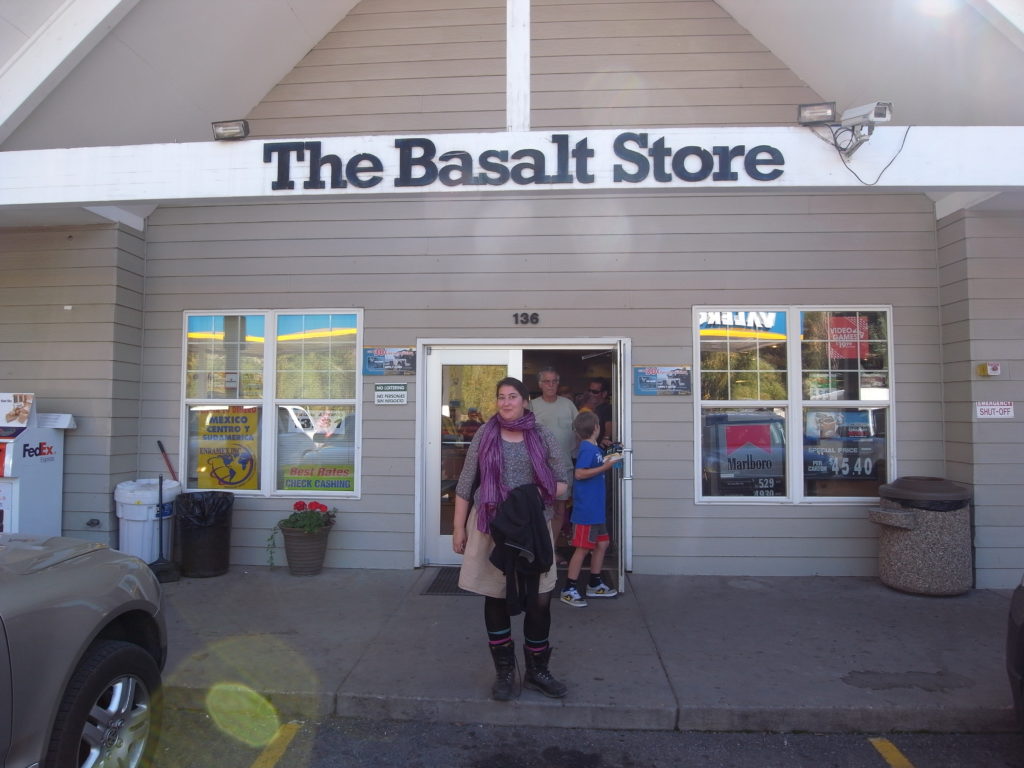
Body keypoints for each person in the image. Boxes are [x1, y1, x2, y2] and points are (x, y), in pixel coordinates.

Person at [452, 377, 570, 701]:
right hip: (492, 527)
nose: (506, 402)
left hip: (533, 528)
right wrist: (459, 528)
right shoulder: (484, 434)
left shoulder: (541, 434)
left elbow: (564, 481)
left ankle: (537, 671)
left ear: (524, 400)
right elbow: (465, 483)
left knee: (541, 599)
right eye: (501, 397)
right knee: (496, 596)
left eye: (512, 396)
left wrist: (531, 494)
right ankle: (505, 671)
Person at [561, 411, 621, 607]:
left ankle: (594, 583)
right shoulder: (586, 449)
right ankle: (569, 588)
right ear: (596, 427)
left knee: (602, 544)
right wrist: (607, 466)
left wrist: (609, 454)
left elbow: (595, 464)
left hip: (596, 510)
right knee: (583, 548)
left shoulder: (592, 447)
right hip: (586, 511)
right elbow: (580, 473)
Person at [529, 367, 578, 548]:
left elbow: (580, 431)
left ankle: (551, 550)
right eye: (546, 381)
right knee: (538, 511)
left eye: (554, 381)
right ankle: (538, 550)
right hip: (538, 470)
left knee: (559, 511)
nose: (550, 385)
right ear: (540, 384)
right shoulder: (532, 406)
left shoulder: (568, 405)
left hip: (563, 468)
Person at [580, 377, 614, 450]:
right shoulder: (589, 408)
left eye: (595, 392)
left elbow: (609, 424)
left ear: (604, 394)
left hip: (600, 449)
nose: (591, 394)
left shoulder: (607, 408)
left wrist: (606, 438)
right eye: (590, 391)